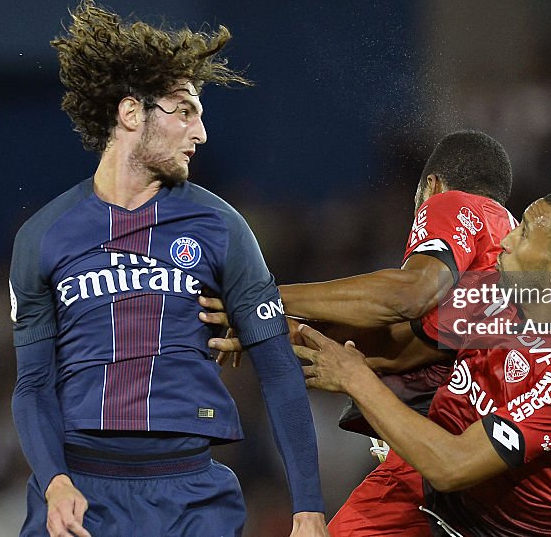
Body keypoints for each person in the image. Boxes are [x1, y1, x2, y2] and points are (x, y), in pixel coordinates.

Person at [8, 0, 327, 537]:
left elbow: (277, 369)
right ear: (132, 113)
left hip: (191, 495)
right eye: (186, 111)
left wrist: (309, 508)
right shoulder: (43, 236)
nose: (200, 133)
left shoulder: (222, 226)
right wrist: (54, 480)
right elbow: (33, 384)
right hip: (79, 493)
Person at [295, 191, 551, 536]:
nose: (506, 239)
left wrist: (356, 379)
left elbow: (453, 465)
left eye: (525, 233)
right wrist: (264, 320)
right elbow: (391, 343)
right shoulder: (494, 288)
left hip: (522, 527)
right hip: (431, 492)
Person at [202, 130, 517, 443]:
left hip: (475, 445)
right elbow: (395, 347)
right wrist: (269, 322)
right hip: (505, 438)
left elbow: (409, 294)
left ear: (431, 186)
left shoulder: (451, 202)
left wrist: (264, 298)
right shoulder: (508, 280)